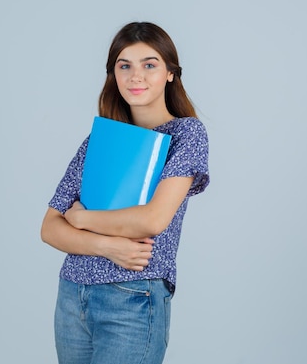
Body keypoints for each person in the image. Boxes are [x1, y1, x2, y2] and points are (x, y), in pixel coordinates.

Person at [40, 22, 210, 364]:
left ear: (170, 74)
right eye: (124, 65)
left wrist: (82, 219)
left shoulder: (186, 134)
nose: (136, 76)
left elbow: (152, 220)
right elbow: (49, 228)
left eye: (150, 64)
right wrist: (108, 245)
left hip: (133, 296)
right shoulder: (99, 141)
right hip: (74, 295)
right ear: (113, 75)